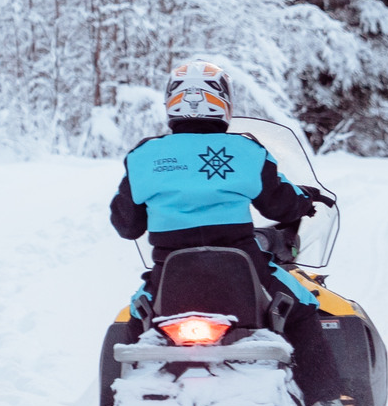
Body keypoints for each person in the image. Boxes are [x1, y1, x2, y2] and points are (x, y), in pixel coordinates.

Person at [108, 59, 320, 310]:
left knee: (136, 321)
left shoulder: (143, 156)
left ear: (171, 102)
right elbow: (279, 206)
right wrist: (304, 200)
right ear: (224, 102)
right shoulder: (246, 151)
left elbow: (127, 226)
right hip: (244, 268)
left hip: (169, 274)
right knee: (304, 305)